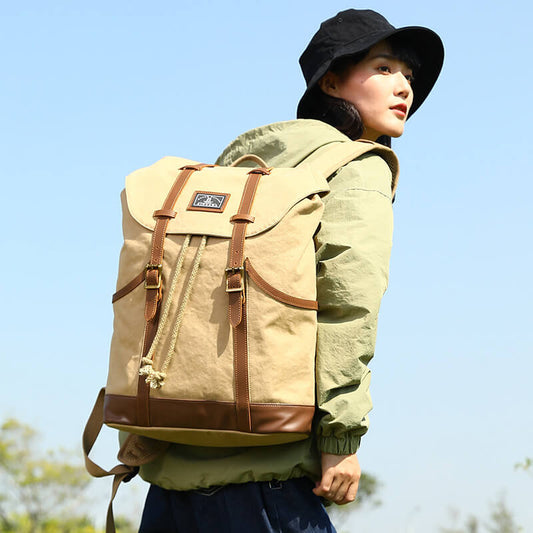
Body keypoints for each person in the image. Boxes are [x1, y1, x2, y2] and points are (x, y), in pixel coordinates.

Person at [138, 9, 444, 533]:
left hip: (174, 472)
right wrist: (340, 440)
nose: (404, 88)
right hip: (269, 476)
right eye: (384, 68)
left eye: (409, 76)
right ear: (331, 82)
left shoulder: (239, 165)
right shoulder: (357, 165)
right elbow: (348, 308)